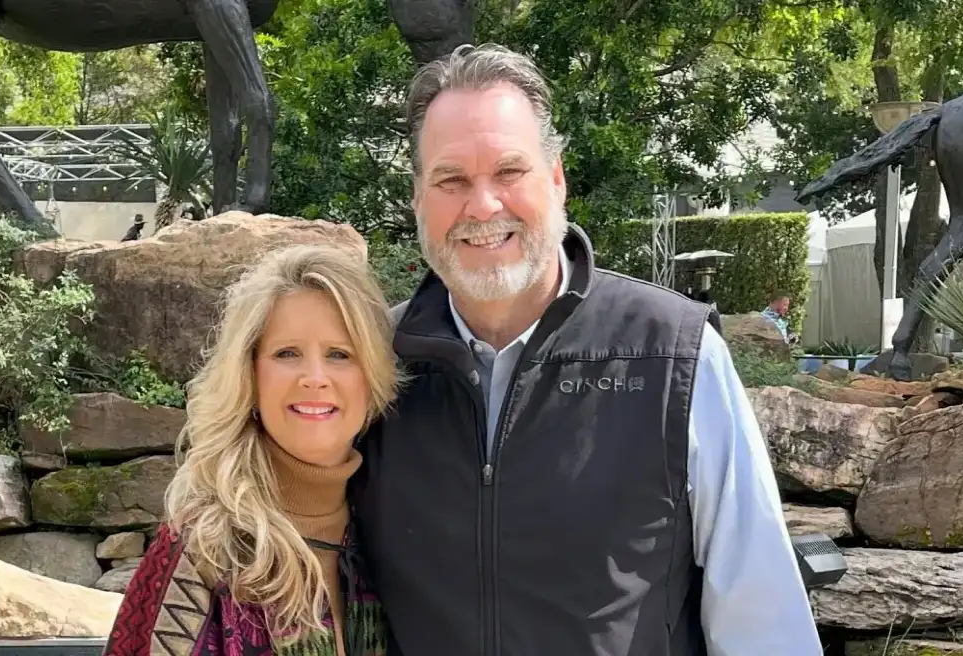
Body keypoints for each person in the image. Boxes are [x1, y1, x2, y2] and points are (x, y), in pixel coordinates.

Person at [351, 44, 821, 655]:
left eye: (509, 172)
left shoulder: (673, 355)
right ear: (418, 198)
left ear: (556, 179)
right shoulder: (367, 366)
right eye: (451, 179)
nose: (483, 204)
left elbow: (763, 623)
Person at [102, 244, 401, 656]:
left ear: (373, 379)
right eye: (287, 353)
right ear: (250, 375)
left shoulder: (396, 537)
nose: (315, 377)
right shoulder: (204, 551)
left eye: (339, 354)